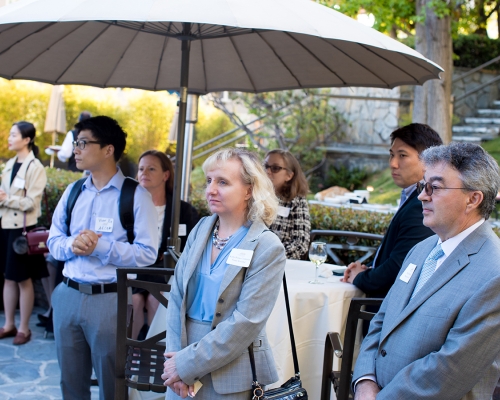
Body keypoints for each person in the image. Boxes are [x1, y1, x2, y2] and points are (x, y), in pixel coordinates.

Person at [353, 142, 500, 400]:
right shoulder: (422, 249)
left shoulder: (494, 271)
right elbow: (383, 319)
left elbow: (450, 370)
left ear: (473, 199)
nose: (422, 195)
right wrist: (365, 381)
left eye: (435, 187)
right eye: (423, 185)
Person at [47, 116, 158, 400]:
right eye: (76, 143)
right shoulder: (73, 191)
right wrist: (74, 244)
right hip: (67, 294)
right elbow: (53, 241)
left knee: (112, 382)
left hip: (110, 299)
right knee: (70, 381)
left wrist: (100, 247)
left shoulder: (136, 195)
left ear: (108, 149)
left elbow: (147, 254)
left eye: (83, 143)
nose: (76, 149)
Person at [162, 148, 286, 399]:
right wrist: (175, 359)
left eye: (223, 182)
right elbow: (176, 295)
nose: (211, 189)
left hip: (229, 371)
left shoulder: (267, 246)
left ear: (249, 189)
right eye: (209, 181)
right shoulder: (201, 228)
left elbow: (246, 322)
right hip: (180, 357)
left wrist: (187, 364)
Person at [342, 123, 443, 298]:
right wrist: (368, 271)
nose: (393, 164)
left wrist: (361, 277)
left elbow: (398, 270)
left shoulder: (422, 206)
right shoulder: (411, 198)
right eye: (391, 155)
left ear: (428, 161)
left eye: (402, 155)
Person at [131, 150, 199, 340]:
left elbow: (190, 246)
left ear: (166, 175)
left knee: (156, 299)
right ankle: (129, 351)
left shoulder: (182, 211)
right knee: (133, 300)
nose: (144, 173)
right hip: (134, 266)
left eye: (151, 169)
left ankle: (156, 351)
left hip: (165, 270)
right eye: (141, 169)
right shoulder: (128, 206)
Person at [0, 121, 48, 345]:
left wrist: (6, 199)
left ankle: (24, 328)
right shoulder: (10, 164)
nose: (9, 138)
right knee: (8, 278)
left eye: (13, 135)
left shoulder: (35, 167)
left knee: (23, 279)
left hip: (23, 230)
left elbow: (31, 203)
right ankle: (9, 324)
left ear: (27, 139)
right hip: (6, 226)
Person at [264, 149, 310, 259]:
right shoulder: (254, 196)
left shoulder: (297, 202)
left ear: (289, 176)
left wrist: (269, 257)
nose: (268, 171)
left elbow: (300, 244)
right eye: (266, 166)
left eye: (275, 168)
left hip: (279, 265)